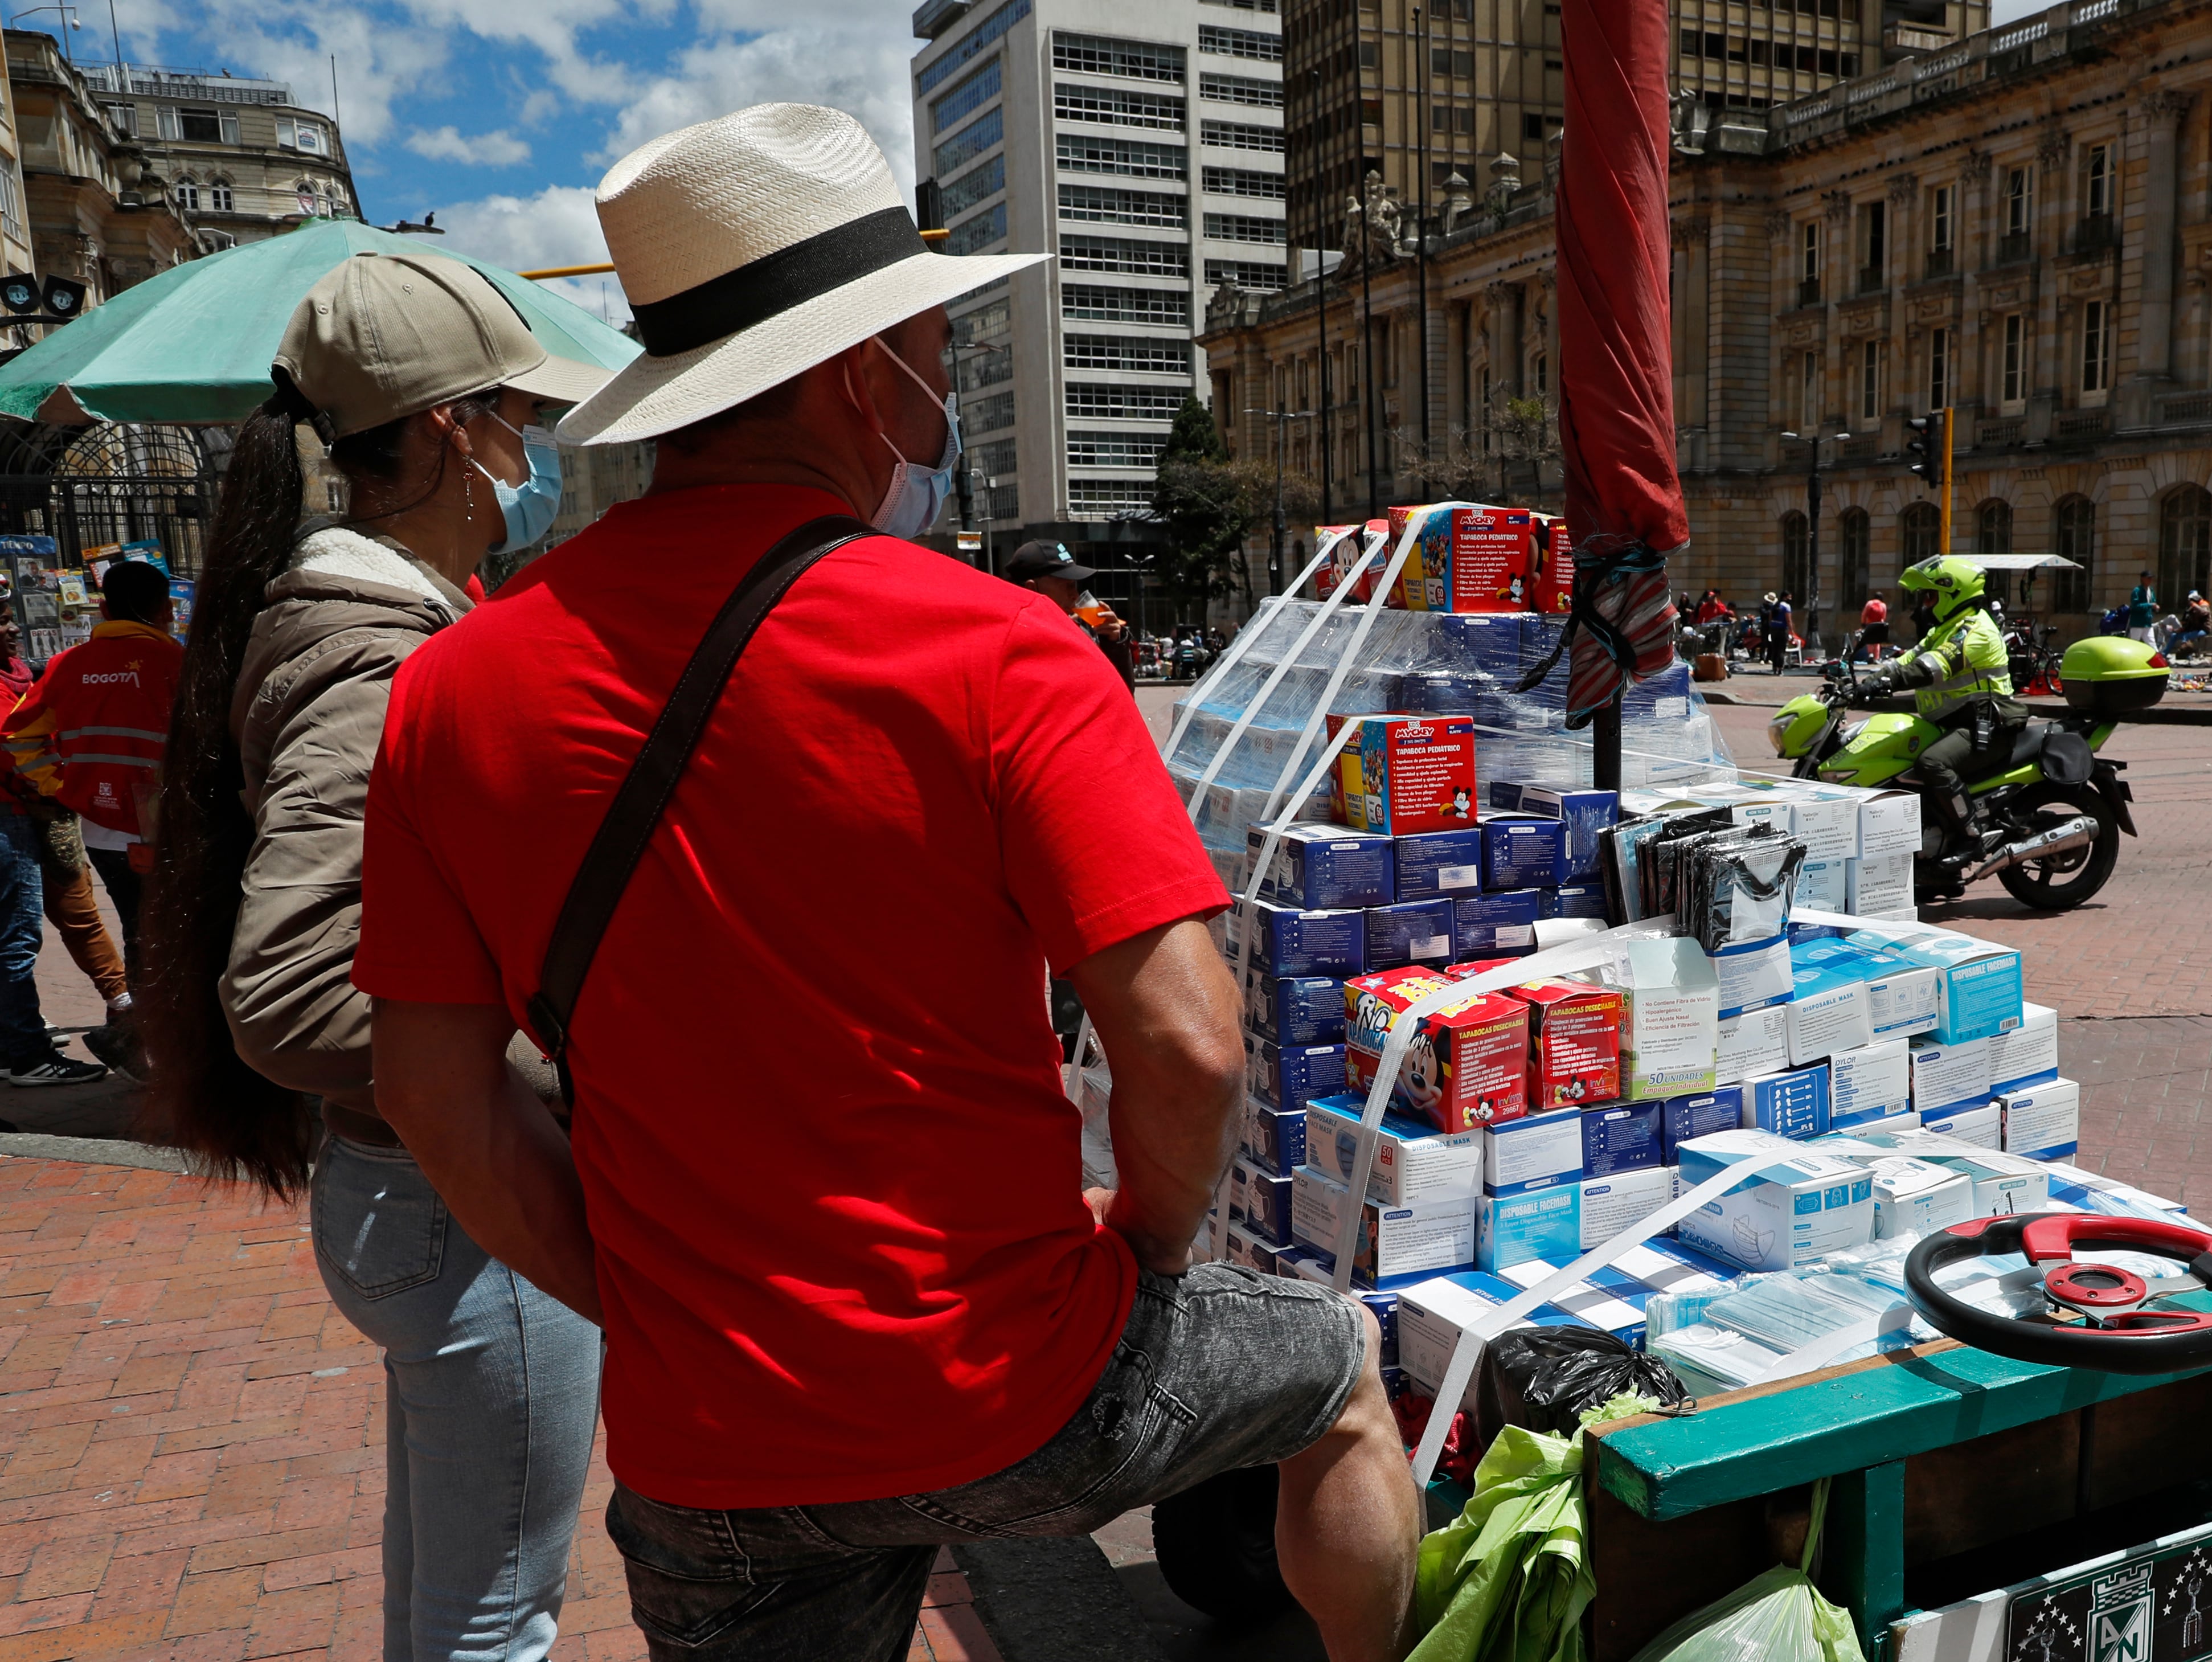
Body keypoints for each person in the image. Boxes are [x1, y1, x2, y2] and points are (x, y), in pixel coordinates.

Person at [350, 106, 1416, 1662]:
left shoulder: (450, 690)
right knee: (1335, 1370)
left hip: (707, 1436)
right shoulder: (1002, 646)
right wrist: (1149, 1255)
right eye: (933, 341)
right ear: (864, 372)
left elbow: (436, 1098)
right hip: (1017, 1379)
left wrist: (661, 1305)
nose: (948, 379)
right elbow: (1186, 1041)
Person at [138, 252, 612, 1660]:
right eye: (520, 419)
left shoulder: (362, 615)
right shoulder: (375, 648)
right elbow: (285, 989)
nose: (534, 455)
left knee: (453, 1586)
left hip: (407, 1189)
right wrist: (545, 1061)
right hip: (453, 1198)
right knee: (498, 1616)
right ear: (455, 432)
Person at [3, 560, 183, 961]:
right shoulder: (180, 666)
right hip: (171, 825)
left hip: (101, 829)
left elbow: (18, 735)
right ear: (167, 610)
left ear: (104, 611)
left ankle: (139, 1019)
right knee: (180, 933)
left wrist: (63, 787)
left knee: (137, 929)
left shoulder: (66, 666)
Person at [1853, 556, 2024, 865]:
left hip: (1985, 725)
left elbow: (1929, 668)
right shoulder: (1944, 629)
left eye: (1930, 596)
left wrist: (1883, 686)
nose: (1926, 605)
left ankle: (1971, 838)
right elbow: (1906, 661)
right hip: (1954, 722)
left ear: (1952, 594)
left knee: (1931, 763)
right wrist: (1865, 682)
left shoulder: (1974, 630)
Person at [1007, 538, 1133, 687]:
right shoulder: (1011, 645)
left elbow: (1119, 696)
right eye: (1068, 586)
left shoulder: (1080, 632)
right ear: (1032, 589)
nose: (1075, 595)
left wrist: (1113, 644)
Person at [2126, 572, 2159, 644]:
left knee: (2152, 643)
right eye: (2148, 578)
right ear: (2143, 579)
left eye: (2151, 578)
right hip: (2137, 623)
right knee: (2134, 644)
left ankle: (2156, 655)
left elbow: (2153, 602)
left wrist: (2155, 607)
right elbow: (2135, 606)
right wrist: (2150, 605)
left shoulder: (2151, 590)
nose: (2150, 580)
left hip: (2147, 623)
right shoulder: (2137, 591)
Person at [1768, 591, 1795, 674]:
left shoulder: (1774, 606)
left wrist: (1772, 627)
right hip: (1783, 630)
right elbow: (1789, 620)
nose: (1790, 599)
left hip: (1774, 629)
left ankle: (1775, 668)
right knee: (1781, 650)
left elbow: (1770, 618)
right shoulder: (1787, 607)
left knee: (1775, 649)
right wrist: (1792, 632)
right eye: (1789, 597)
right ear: (1785, 597)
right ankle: (1780, 668)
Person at [1858, 589, 1889, 662]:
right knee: (1877, 642)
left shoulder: (1870, 603)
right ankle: (1877, 658)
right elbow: (1884, 617)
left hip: (1870, 624)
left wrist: (1863, 623)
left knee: (1869, 640)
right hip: (1879, 625)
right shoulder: (1883, 605)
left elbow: (1864, 614)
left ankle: (1870, 654)